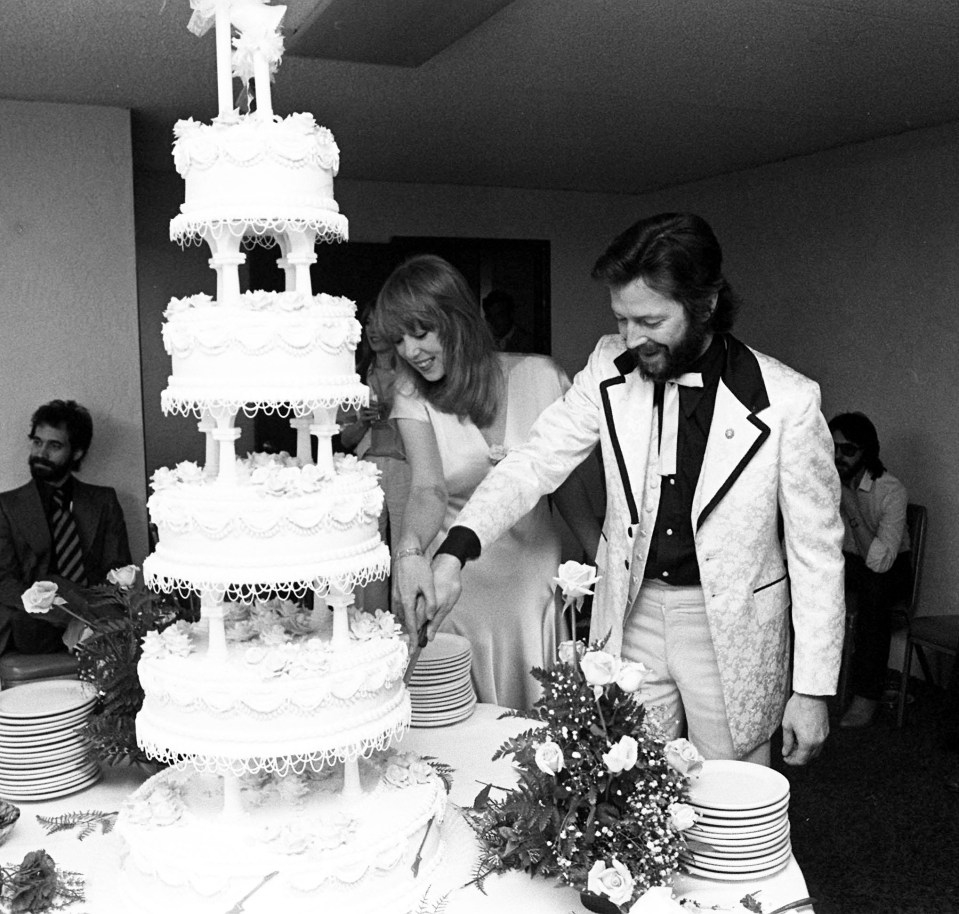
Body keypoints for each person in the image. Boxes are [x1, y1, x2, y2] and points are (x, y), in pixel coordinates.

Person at [423, 213, 846, 766]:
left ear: (707, 304)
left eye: (649, 320)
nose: (630, 338)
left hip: (729, 626)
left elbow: (817, 554)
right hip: (632, 609)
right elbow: (534, 461)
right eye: (621, 319)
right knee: (631, 779)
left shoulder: (789, 401)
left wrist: (812, 689)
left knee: (729, 789)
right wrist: (459, 545)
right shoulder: (607, 366)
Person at [373, 255, 601, 710]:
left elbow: (566, 486)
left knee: (546, 728)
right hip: (459, 583)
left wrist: (606, 558)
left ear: (455, 319)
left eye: (420, 332)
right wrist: (411, 551)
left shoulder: (542, 376)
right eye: (399, 340)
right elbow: (427, 488)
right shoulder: (410, 394)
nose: (410, 351)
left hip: (533, 580)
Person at [0, 400, 132, 654]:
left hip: (98, 612)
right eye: (37, 442)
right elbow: (4, 582)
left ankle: (91, 630)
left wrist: (88, 609)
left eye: (54, 445)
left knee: (130, 615)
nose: (41, 453)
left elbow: (118, 571)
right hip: (35, 621)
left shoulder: (103, 502)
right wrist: (63, 613)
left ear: (77, 452)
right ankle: (85, 629)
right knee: (45, 591)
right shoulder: (7, 506)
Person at [829, 412, 911, 729]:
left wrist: (850, 505)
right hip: (849, 561)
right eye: (834, 448)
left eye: (848, 450)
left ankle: (867, 695)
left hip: (891, 567)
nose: (839, 457)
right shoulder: (828, 477)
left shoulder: (890, 490)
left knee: (875, 593)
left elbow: (880, 562)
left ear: (867, 452)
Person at [338, 302, 411, 612]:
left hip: (407, 466)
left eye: (379, 323)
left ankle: (407, 621)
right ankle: (372, 622)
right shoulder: (355, 377)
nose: (372, 330)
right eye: (368, 323)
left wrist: (397, 413)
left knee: (407, 548)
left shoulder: (411, 375)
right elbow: (344, 439)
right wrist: (365, 421)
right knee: (370, 548)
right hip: (367, 467)